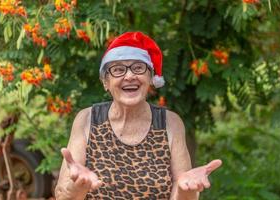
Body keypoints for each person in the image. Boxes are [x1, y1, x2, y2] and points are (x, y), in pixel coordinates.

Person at [55, 31, 222, 200]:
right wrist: (78, 186)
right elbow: (62, 196)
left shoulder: (170, 123)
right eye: (118, 69)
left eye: (138, 68)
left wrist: (186, 189)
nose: (129, 76)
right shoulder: (87, 120)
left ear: (150, 77)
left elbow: (183, 195)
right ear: (106, 82)